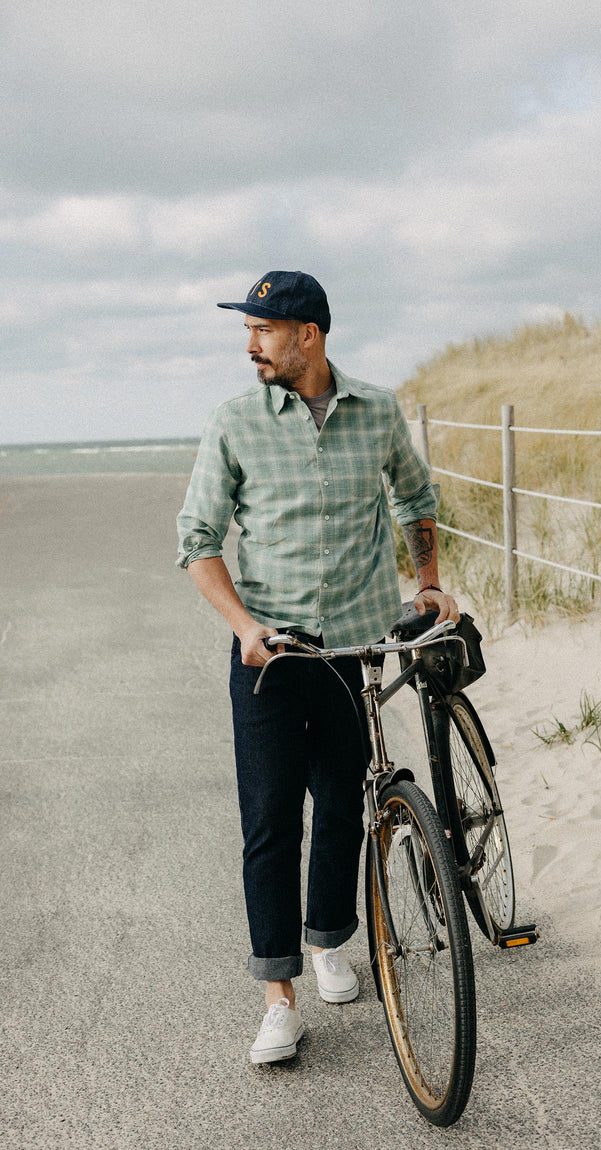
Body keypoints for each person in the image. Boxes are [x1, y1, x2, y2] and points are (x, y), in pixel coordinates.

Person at [176, 270, 459, 1064]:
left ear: (309, 334)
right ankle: (278, 1000)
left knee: (343, 805)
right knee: (270, 824)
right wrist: (243, 626)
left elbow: (414, 495)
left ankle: (331, 941)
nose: (250, 343)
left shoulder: (376, 413)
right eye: (250, 329)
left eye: (264, 329)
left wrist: (428, 581)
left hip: (355, 648)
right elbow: (196, 540)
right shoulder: (234, 422)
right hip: (272, 655)